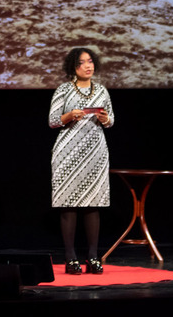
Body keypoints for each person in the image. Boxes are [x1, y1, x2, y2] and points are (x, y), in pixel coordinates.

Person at [48, 47, 113, 275]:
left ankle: (93, 257)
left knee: (93, 205)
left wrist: (105, 118)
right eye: (83, 62)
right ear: (73, 66)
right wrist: (69, 115)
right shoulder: (64, 89)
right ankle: (70, 258)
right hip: (68, 152)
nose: (88, 65)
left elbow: (111, 120)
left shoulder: (102, 91)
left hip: (95, 151)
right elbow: (53, 121)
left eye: (91, 61)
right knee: (69, 205)